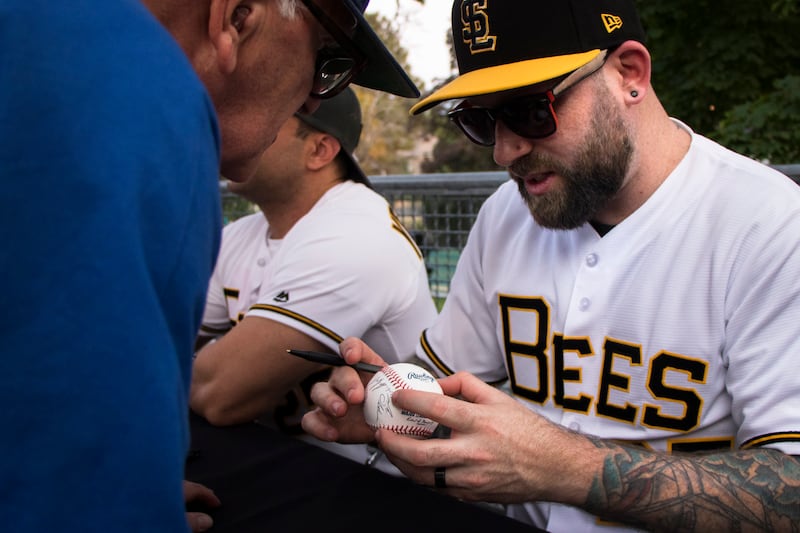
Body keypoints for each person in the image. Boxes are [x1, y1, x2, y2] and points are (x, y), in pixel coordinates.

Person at [302, 0, 800, 531]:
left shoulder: (768, 224)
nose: (504, 150)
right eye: (481, 118)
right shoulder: (505, 215)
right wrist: (387, 395)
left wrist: (564, 468)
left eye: (528, 109)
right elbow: (441, 374)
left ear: (629, 74)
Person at [0, 1, 417, 532]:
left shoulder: (355, 228)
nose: (315, 91)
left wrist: (130, 473)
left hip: (366, 486)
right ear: (236, 16)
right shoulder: (138, 92)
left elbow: (213, 387)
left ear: (321, 150)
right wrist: (122, 485)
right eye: (325, 56)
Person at [190, 87, 437, 474]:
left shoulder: (356, 233)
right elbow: (153, 348)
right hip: (284, 464)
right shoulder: (243, 234)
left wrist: (174, 369)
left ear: (319, 150)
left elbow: (219, 393)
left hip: (380, 486)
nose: (230, 128)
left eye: (267, 116)